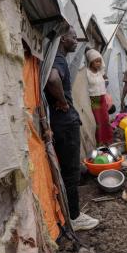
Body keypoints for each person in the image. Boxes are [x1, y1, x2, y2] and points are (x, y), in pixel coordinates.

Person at [45, 27, 99, 231]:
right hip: (65, 124)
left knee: (68, 170)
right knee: (71, 171)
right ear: (63, 38)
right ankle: (74, 217)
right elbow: (52, 79)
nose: (76, 42)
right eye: (73, 38)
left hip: (60, 123)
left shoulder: (54, 58)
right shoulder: (58, 60)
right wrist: (63, 102)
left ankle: (68, 212)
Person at [85, 49, 113, 145]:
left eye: (100, 61)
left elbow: (106, 80)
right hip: (94, 100)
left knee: (105, 120)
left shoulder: (101, 72)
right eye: (96, 61)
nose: (98, 64)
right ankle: (99, 142)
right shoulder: (87, 73)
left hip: (102, 99)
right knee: (98, 122)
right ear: (91, 62)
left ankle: (108, 140)